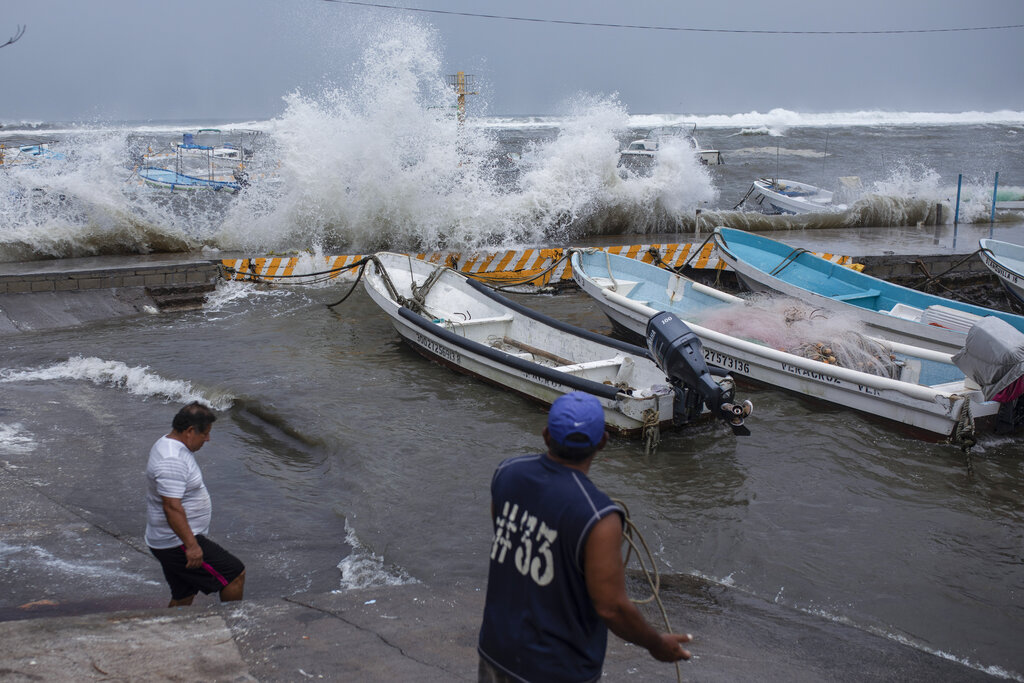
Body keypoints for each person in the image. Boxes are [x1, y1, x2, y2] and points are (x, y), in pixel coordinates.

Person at [478, 392, 693, 682]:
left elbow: (508, 538)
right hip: (556, 670)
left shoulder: (506, 473)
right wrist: (656, 643)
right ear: (602, 442)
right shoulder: (599, 517)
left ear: (545, 435)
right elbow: (611, 607)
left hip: (496, 651)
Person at [145, 401, 245, 607]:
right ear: (190, 430)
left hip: (168, 539)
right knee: (234, 574)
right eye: (205, 433)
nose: (207, 439)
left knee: (183, 594)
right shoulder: (172, 460)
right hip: (176, 542)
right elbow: (171, 507)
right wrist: (192, 546)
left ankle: (173, 630)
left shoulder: (168, 444)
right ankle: (234, 625)